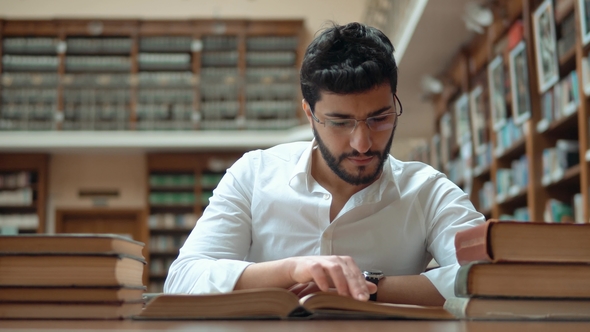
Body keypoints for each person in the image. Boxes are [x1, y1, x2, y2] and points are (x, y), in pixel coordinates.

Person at [164, 22, 485, 306]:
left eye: (379, 118)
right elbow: (183, 280)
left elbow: (488, 277)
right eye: (340, 122)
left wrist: (367, 286)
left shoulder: (427, 191)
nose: (362, 142)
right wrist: (290, 270)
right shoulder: (253, 175)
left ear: (395, 102)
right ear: (310, 115)